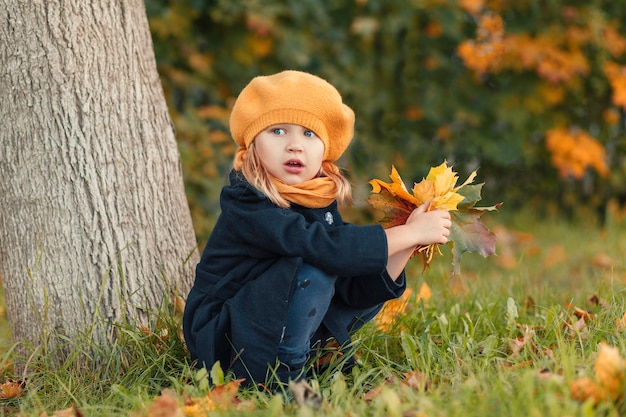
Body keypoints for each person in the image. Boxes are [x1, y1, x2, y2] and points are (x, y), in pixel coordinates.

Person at [182, 70, 451, 387]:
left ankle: (310, 357)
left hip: (265, 326)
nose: (295, 145)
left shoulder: (316, 200)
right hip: (223, 337)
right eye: (279, 131)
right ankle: (285, 379)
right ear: (253, 144)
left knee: (359, 267)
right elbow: (324, 247)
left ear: (325, 151)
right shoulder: (247, 202)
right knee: (320, 262)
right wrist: (410, 233)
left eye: (309, 134)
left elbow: (351, 285)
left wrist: (407, 239)